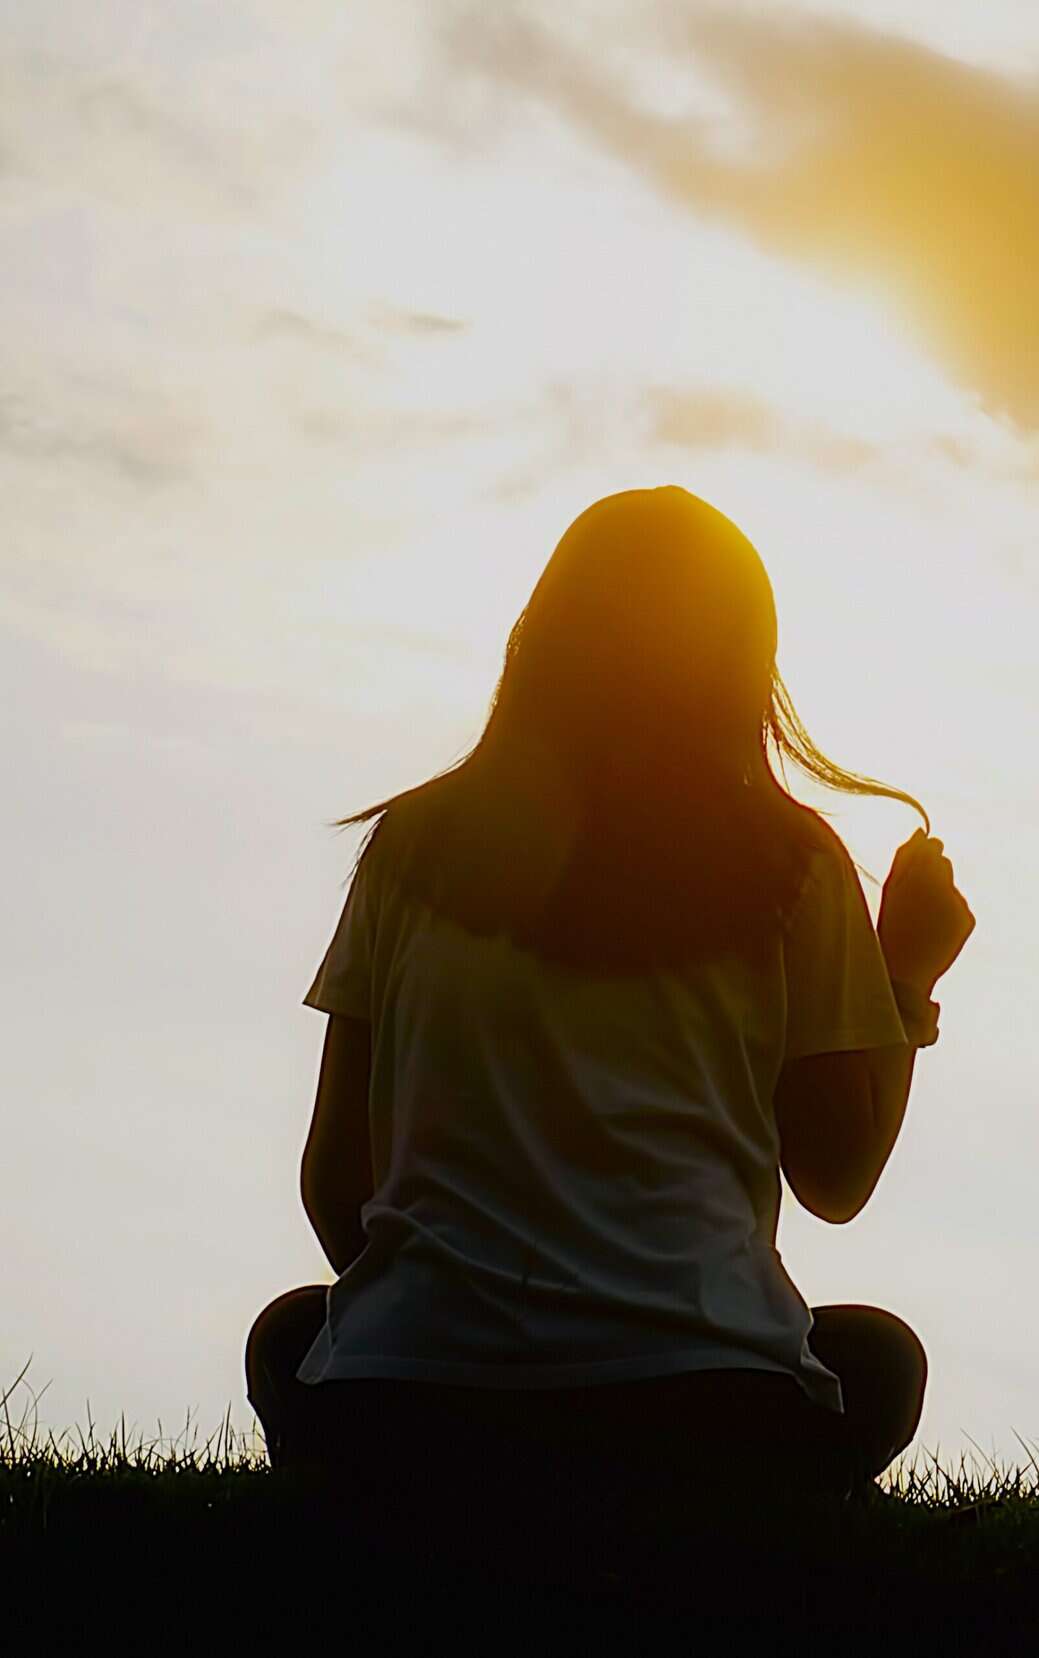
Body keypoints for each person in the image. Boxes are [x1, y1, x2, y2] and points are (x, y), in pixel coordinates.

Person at [245, 485, 976, 1590]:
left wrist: (461, 1313)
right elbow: (836, 1178)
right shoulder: (790, 866)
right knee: (876, 1358)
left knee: (288, 1333)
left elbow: (335, 1180)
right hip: (700, 1417)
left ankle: (419, 1511)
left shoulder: (415, 848)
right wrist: (905, 977)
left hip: (406, 1411)